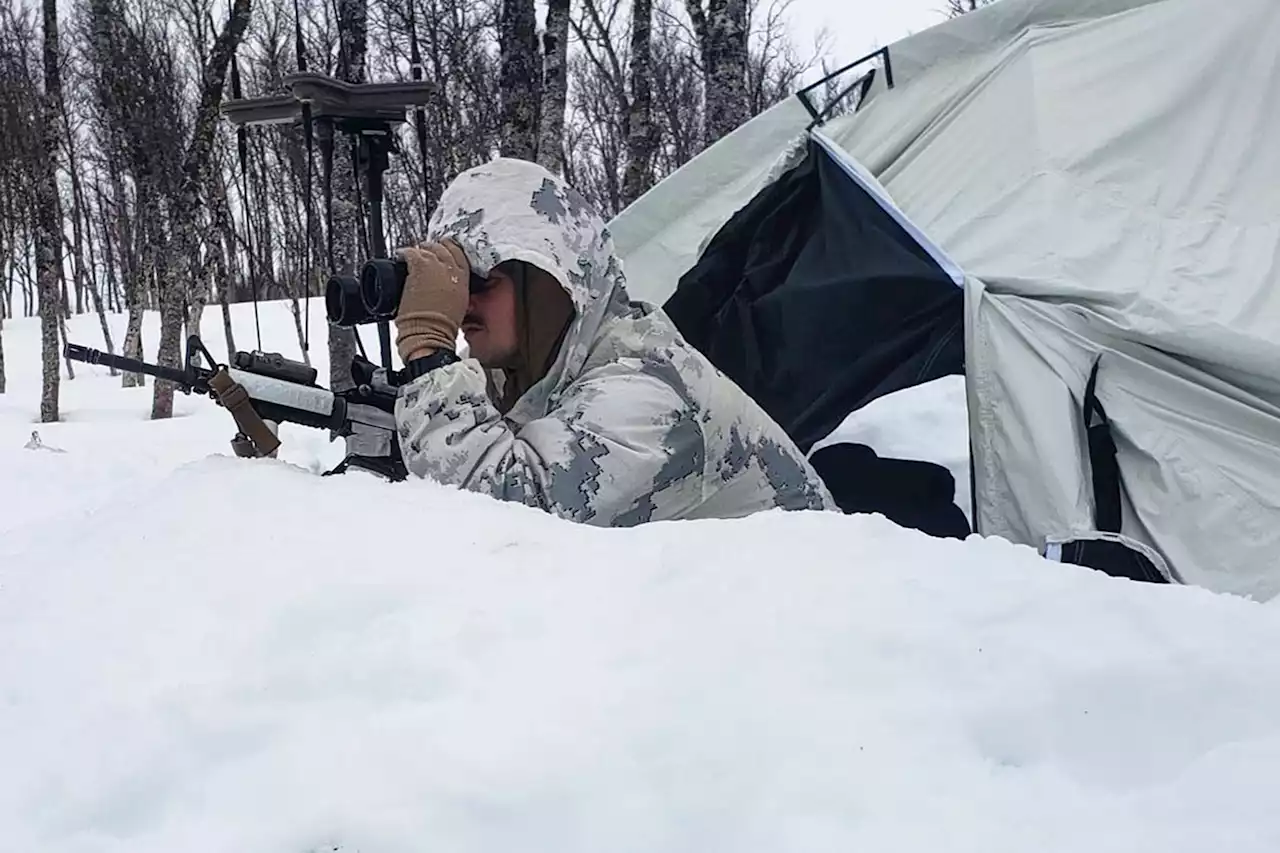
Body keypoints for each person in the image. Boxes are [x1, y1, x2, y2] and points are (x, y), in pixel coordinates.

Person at [390, 157, 837, 526]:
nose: (461, 305)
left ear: (550, 286)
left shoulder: (645, 392)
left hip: (799, 621)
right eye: (451, 288)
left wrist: (428, 354)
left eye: (480, 283)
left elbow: (506, 527)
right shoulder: (539, 372)